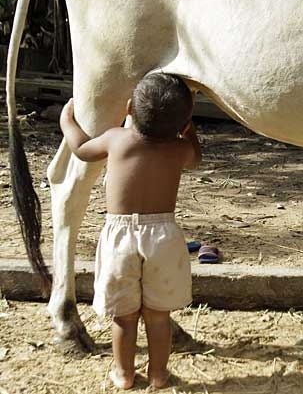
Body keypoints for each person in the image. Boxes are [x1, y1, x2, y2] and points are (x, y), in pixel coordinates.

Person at [60, 73, 202, 389]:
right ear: (183, 120)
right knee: (157, 316)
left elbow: (81, 148)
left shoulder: (115, 139)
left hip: (119, 239)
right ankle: (158, 374)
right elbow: (196, 159)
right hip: (163, 239)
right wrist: (190, 133)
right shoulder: (179, 149)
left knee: (124, 318)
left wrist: (67, 119)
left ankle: (123, 374)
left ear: (128, 109)